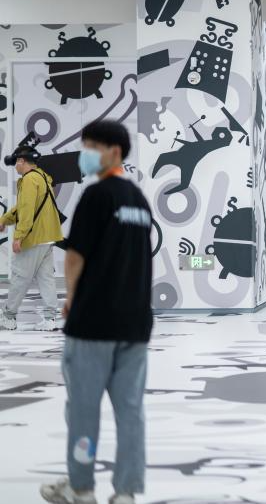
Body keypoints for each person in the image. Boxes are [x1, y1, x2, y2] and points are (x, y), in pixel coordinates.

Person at [40, 121, 153, 504]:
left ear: (114, 151)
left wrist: (71, 298)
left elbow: (75, 257)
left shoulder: (96, 195)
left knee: (84, 410)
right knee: (131, 411)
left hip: (93, 323)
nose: (84, 154)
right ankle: (126, 491)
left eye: (91, 146)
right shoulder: (139, 201)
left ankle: (81, 486)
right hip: (134, 324)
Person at [0, 144, 64, 331]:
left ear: (21, 161)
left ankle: (9, 317)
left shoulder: (28, 180)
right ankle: (50, 319)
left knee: (20, 277)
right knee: (46, 279)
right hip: (48, 236)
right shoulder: (42, 176)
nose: (15, 167)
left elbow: (27, 211)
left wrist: (19, 236)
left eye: (16, 163)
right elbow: (24, 207)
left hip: (34, 238)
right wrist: (4, 220)